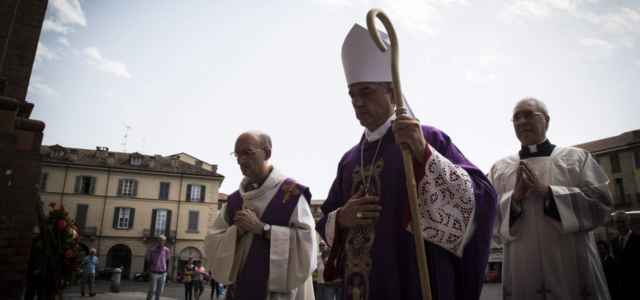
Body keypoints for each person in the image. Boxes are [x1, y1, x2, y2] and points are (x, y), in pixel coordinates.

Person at [316, 24, 497, 300]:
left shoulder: (426, 138)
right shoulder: (350, 159)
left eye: (366, 91)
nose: (357, 102)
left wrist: (424, 155)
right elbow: (326, 217)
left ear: (391, 91)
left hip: (412, 282)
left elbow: (482, 197)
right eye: (352, 94)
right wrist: (342, 218)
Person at [489, 97, 613, 299]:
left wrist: (548, 192)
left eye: (528, 115)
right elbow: (488, 220)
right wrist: (515, 200)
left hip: (571, 269)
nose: (521, 122)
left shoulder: (577, 158)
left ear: (546, 120)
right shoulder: (500, 169)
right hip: (522, 271)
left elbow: (601, 205)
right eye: (516, 118)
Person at [204, 131, 317, 300]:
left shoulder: (290, 194)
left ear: (267, 153)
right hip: (240, 289)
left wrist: (263, 229)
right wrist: (236, 233)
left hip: (278, 293)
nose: (241, 160)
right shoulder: (235, 201)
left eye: (247, 153)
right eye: (237, 155)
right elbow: (212, 242)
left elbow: (307, 243)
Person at [611, 211, 640, 299]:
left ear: (628, 222)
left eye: (622, 221)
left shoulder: (638, 239)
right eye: (617, 222)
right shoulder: (614, 242)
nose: (620, 225)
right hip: (621, 287)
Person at [145, 235, 170, 300]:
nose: (162, 242)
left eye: (163, 241)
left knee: (159, 291)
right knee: (152, 290)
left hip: (163, 273)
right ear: (158, 241)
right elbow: (149, 261)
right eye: (160, 240)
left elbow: (167, 260)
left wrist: (166, 271)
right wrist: (149, 270)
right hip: (154, 273)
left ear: (165, 242)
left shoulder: (167, 250)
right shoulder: (152, 250)